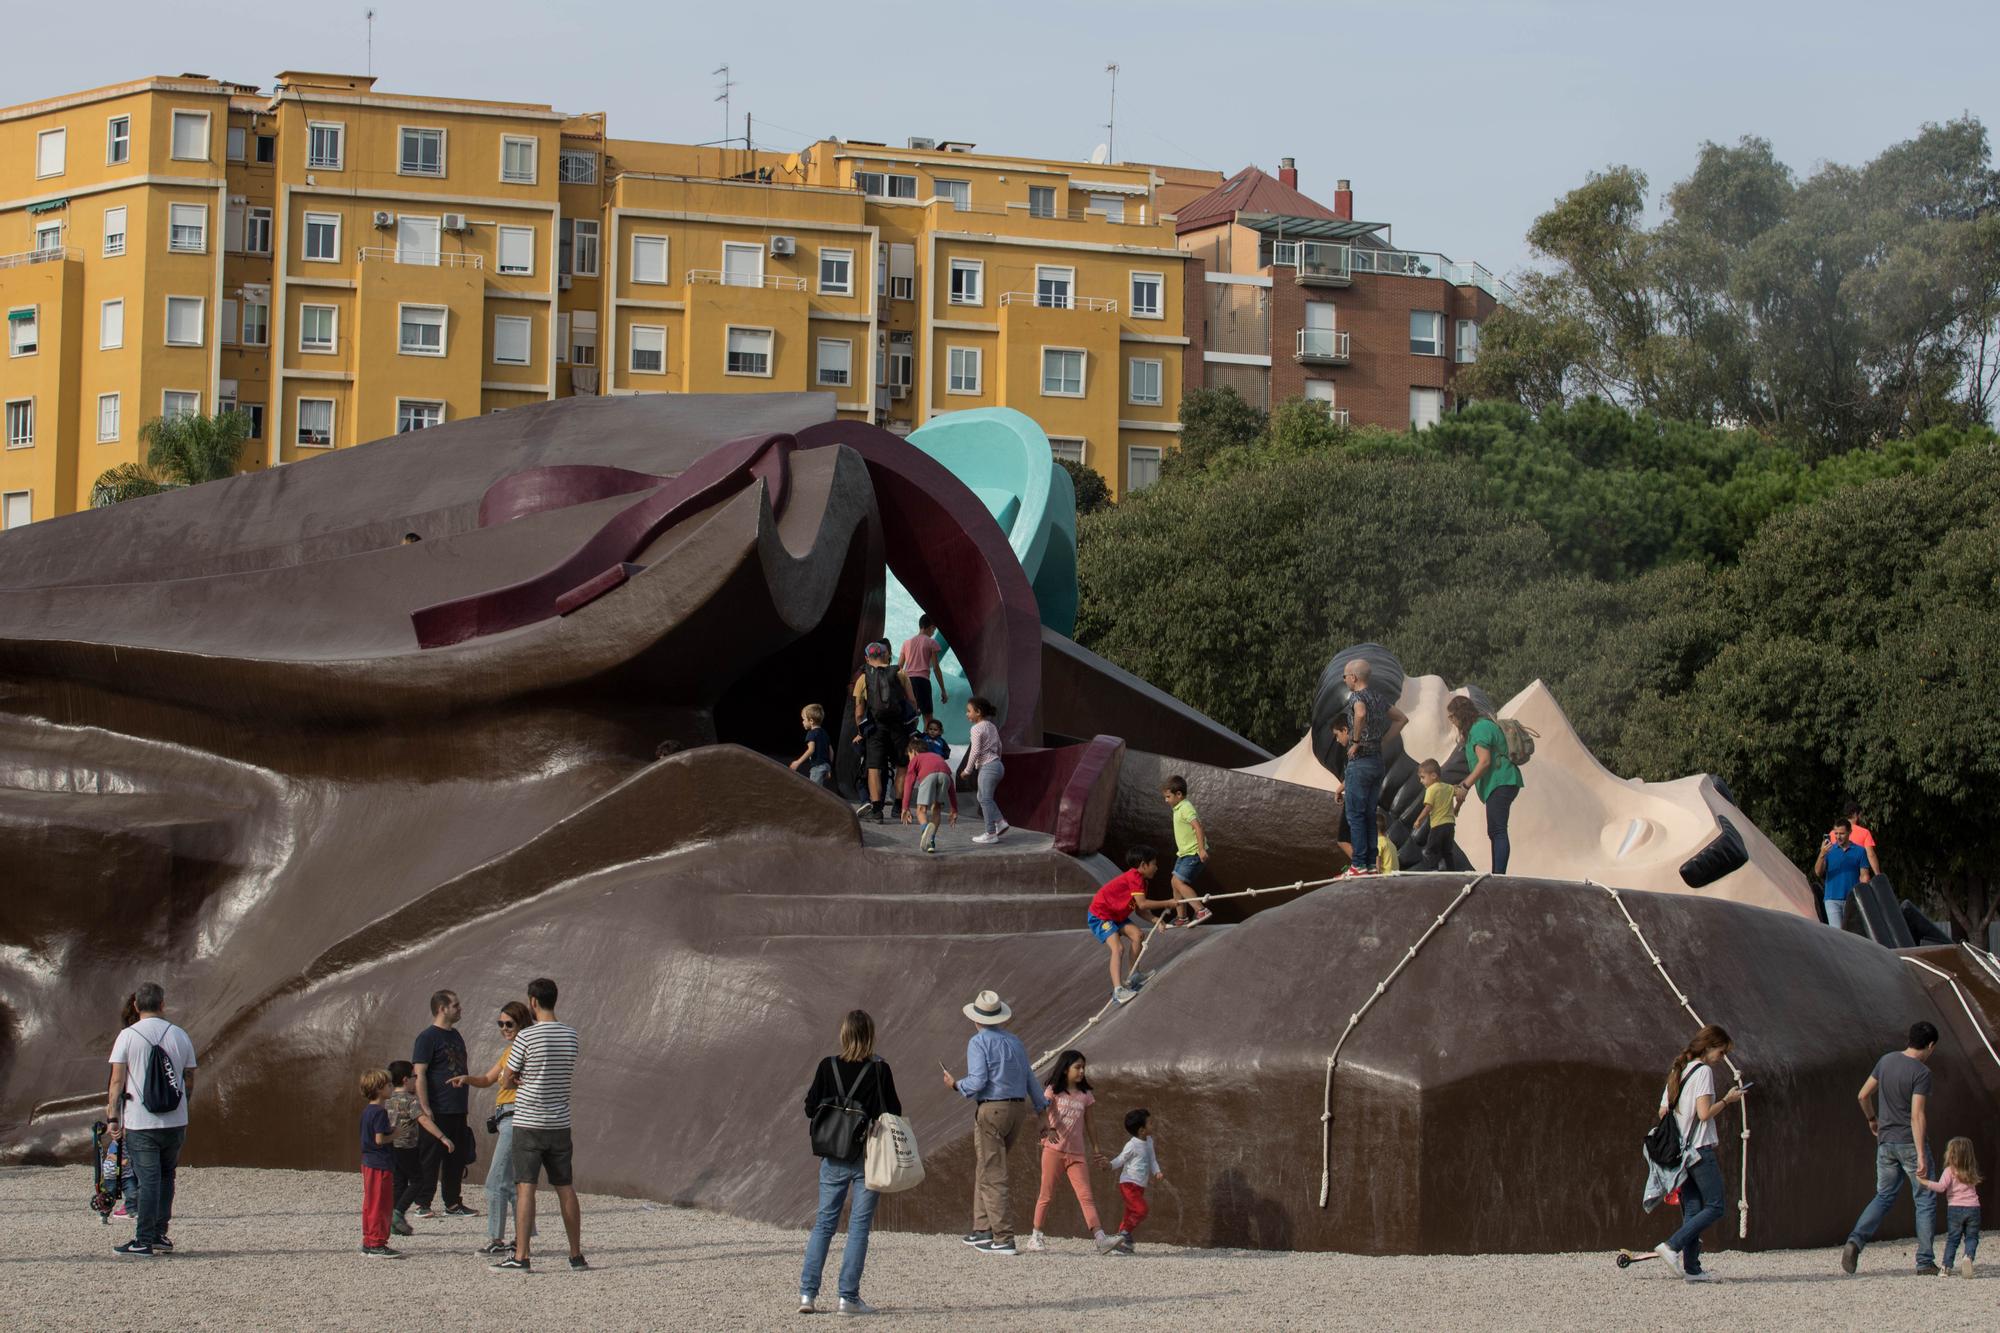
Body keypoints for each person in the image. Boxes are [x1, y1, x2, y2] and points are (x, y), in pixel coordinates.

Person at [798, 1009, 903, 1315]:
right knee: (858, 1228)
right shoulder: (880, 1070)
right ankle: (848, 1298)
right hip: (867, 1157)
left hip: (832, 1155)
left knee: (824, 1225)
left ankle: (808, 1295)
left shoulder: (826, 1066)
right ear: (871, 1035)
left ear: (844, 1033)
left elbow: (809, 1108)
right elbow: (893, 1112)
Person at [943, 989, 1050, 1256]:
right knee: (987, 1168)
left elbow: (978, 1081)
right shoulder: (1015, 1042)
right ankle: (982, 1230)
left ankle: (1003, 1237)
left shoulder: (978, 1042)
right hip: (1017, 1111)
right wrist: (1042, 1112)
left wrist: (956, 1084)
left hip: (992, 1109)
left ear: (976, 1018)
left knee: (992, 1173)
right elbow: (1029, 1077)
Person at [493, 977, 586, 1273]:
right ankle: (575, 1255)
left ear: (533, 1001)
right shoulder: (571, 1035)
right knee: (565, 1187)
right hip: (559, 1122)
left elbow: (507, 1078)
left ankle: (521, 1256)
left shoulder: (526, 1037)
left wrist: (519, 1079)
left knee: (526, 1188)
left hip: (529, 1120)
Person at [106, 981, 197, 1257]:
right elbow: (189, 1077)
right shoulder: (180, 1035)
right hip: (175, 1121)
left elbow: (117, 1081)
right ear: (162, 1004)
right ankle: (160, 1234)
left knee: (148, 1180)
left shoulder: (127, 1036)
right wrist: (182, 1104)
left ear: (136, 1005)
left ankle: (143, 1239)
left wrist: (113, 1117)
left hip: (141, 1122)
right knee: (167, 1176)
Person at [1842, 1021, 1942, 1276]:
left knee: (1884, 1196)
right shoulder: (1922, 1073)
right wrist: (1921, 1154)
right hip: (1910, 1142)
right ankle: (1925, 1261)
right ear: (1930, 1046)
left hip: (1885, 1143)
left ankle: (1855, 1241)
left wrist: (1872, 1120)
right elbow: (1917, 1115)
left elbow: (1863, 1095)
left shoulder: (1886, 1061)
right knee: (1925, 1199)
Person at [1649, 1025, 1744, 1281]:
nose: (1721, 1059)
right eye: (1721, 1053)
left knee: (1693, 1208)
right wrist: (1727, 1100)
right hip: (1700, 1150)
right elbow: (1703, 1114)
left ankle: (1693, 1269)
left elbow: (1663, 1111)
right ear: (1710, 1046)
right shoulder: (1703, 1072)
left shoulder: (1679, 1070)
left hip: (1680, 1152)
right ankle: (1671, 1246)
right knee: (1716, 1206)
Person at [449, 1000, 535, 1255]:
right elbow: (488, 1079)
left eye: (509, 1024)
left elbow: (518, 1081)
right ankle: (522, 1238)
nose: (504, 1028)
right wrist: (467, 1079)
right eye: (500, 1024)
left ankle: (497, 1240)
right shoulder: (511, 1051)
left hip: (515, 1117)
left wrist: (512, 1082)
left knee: (495, 1181)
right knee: (510, 1182)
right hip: (505, 1118)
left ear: (522, 1023)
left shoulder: (525, 1049)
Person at [1029, 1050, 1118, 1254]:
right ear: (1065, 1068)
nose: (1081, 1071)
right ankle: (1035, 1236)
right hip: (1053, 1151)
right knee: (1046, 1194)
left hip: (1076, 1154)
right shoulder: (1052, 1091)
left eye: (1083, 1068)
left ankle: (1100, 1238)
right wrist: (1049, 1129)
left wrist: (1096, 1149)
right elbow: (1041, 1112)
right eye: (1077, 1067)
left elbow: (1091, 1124)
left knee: (1086, 1196)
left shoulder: (1086, 1096)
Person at [1339, 659, 1408, 877]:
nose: (1344, 680)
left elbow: (1359, 713)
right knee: (1369, 814)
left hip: (1360, 762)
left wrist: (1357, 740)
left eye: (1345, 676)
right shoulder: (1379, 698)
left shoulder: (1357, 697)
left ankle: (1359, 864)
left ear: (1354, 677)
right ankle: (1369, 864)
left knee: (1355, 815)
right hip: (1377, 761)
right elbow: (1401, 719)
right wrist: (1382, 741)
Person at [1087, 845, 1181, 1005]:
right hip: (1101, 916)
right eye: (1154, 864)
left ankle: (1134, 974)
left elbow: (1139, 910)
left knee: (1138, 935)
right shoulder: (1134, 877)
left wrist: (1156, 921)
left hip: (1116, 915)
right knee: (1118, 948)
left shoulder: (1142, 882)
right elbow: (1143, 904)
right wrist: (1168, 902)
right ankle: (1118, 990)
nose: (1156, 868)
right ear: (1144, 865)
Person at [410, 989, 475, 1218]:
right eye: (455, 1005)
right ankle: (422, 1202)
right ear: (442, 1009)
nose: (460, 1009)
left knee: (456, 1157)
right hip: (437, 1107)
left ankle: (453, 1203)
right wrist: (425, 1106)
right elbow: (420, 1073)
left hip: (457, 1107)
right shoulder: (427, 1037)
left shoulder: (456, 1035)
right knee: (430, 1156)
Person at [1445, 696, 1524, 875]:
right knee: (1495, 830)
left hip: (1501, 781)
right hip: (1499, 783)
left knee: (1498, 830)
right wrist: (1462, 796)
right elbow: (1476, 768)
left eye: (1451, 717)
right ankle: (1497, 872)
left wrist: (1465, 786)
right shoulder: (1477, 728)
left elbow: (1484, 762)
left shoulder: (1479, 729)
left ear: (1460, 714)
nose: (1451, 721)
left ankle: (1498, 874)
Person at [852, 640, 919, 821]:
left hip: (876, 729)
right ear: (886, 655)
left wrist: (861, 731)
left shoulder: (862, 678)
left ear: (867, 658)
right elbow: (912, 702)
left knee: (873, 768)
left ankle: (876, 810)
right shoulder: (900, 673)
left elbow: (859, 712)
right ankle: (898, 807)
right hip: (899, 728)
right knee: (902, 766)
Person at [384, 1059, 451, 1237]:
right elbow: (423, 1120)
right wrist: (443, 1137)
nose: (416, 1079)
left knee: (399, 1183)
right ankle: (398, 1214)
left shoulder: (388, 1100)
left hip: (392, 1147)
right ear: (406, 1079)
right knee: (417, 1181)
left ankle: (392, 1221)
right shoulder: (411, 1101)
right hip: (407, 1148)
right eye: (415, 1076)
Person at [1917, 1136, 1983, 1278]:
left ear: (1951, 1154)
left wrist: (1925, 1182)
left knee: (1953, 1239)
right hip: (1974, 1208)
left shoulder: (1950, 1171)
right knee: (1972, 1237)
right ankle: (1968, 1257)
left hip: (1955, 1209)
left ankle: (1946, 1267)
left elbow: (1941, 1187)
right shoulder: (1971, 1170)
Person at [358, 1069, 403, 1258]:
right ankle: (377, 1243)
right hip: (380, 1164)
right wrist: (395, 1134)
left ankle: (369, 1240)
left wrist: (389, 1129)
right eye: (389, 1085)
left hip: (368, 1162)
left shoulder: (367, 1111)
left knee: (370, 1203)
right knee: (381, 1204)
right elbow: (379, 1139)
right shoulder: (380, 1112)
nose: (392, 1087)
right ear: (379, 1089)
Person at [1106, 1108, 1164, 1254]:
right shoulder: (1132, 1145)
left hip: (1139, 1186)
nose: (1153, 1125)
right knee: (1141, 1210)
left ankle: (1121, 1244)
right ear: (1141, 1130)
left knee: (1130, 1213)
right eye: (1150, 1123)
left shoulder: (1149, 1141)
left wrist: (1157, 1171)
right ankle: (1124, 1233)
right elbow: (1121, 1159)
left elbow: (1152, 1159)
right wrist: (1109, 1165)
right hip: (1128, 1184)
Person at [1159, 776, 1214, 928]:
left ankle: (1201, 910)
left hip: (1193, 852)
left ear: (1179, 795)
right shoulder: (1178, 808)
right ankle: (1181, 918)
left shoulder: (1185, 807)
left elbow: (1198, 827)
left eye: (1168, 797)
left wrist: (1201, 849)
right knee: (1174, 882)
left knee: (1178, 881)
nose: (1166, 800)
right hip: (1184, 854)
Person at [961, 697, 1009, 845]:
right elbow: (1000, 746)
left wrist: (967, 770)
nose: (966, 714)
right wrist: (997, 761)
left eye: (969, 711)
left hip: (988, 766)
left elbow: (974, 751)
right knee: (982, 797)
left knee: (985, 799)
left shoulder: (976, 728)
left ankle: (991, 832)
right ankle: (999, 823)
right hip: (997, 765)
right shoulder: (991, 726)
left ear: (978, 712)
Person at [899, 734, 958, 853]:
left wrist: (905, 807)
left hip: (928, 776)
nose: (909, 758)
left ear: (913, 751)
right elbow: (951, 785)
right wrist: (954, 809)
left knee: (921, 810)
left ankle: (925, 829)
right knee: (936, 809)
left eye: (909, 755)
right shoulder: (937, 756)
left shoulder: (916, 759)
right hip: (945, 776)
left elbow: (908, 783)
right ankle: (931, 841)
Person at [1815, 819, 1874, 930]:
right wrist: (1822, 854)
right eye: (1836, 833)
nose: (1838, 837)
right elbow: (1818, 872)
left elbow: (1864, 875)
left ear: (1849, 832)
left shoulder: (1860, 851)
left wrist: (1865, 890)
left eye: (1842, 833)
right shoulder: (1828, 851)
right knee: (1837, 934)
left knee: (1852, 934)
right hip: (1832, 899)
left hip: (1852, 899)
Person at [900, 616, 949, 728]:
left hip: (908, 681)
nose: (933, 632)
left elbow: (899, 666)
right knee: (928, 718)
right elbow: (936, 668)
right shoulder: (932, 643)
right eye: (934, 629)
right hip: (922, 682)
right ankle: (927, 742)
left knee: (908, 714)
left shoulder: (906, 643)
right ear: (931, 627)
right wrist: (943, 690)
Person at [1412, 759, 1457, 871]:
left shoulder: (1431, 789)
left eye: (1423, 777)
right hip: (1450, 825)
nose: (1421, 781)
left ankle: (1434, 869)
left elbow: (1428, 808)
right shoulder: (1448, 787)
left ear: (1433, 776)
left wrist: (1419, 820)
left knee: (1431, 850)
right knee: (1447, 851)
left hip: (1438, 825)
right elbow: (1460, 794)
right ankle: (1452, 870)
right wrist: (1457, 808)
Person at [789, 703, 834, 788]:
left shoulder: (811, 734)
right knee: (819, 788)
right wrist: (829, 767)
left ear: (811, 721)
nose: (802, 722)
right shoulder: (825, 733)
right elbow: (831, 751)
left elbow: (811, 750)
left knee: (814, 790)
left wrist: (798, 762)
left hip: (817, 767)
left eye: (804, 719)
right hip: (826, 766)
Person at [1376, 810, 1401, 874]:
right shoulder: (1390, 842)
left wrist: (1377, 874)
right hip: (1394, 876)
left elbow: (1377, 862)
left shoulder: (1379, 842)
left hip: (1385, 878)